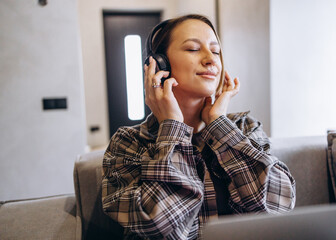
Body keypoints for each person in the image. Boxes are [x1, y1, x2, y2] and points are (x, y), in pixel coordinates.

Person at [102, 14, 296, 240]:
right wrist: (172, 127)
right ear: (160, 64)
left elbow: (278, 207)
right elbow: (159, 226)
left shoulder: (244, 128)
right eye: (193, 49)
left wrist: (219, 124)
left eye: (215, 51)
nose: (210, 60)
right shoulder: (129, 142)